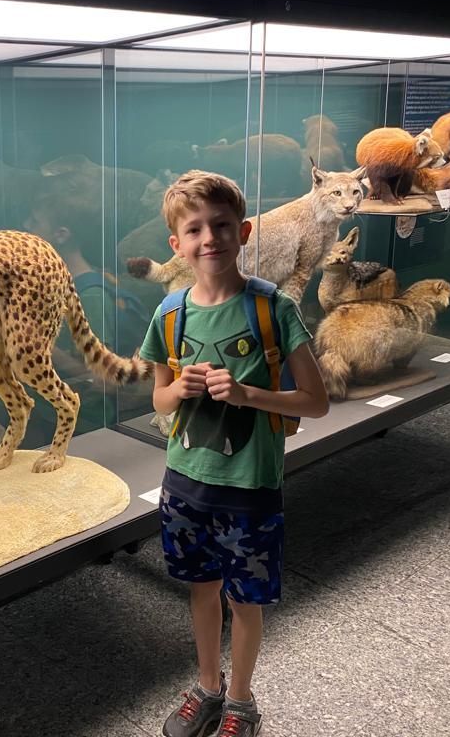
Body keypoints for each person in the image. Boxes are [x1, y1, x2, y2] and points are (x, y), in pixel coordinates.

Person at [139, 170, 329, 737]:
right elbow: (159, 398)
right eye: (194, 229)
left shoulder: (274, 308)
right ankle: (207, 687)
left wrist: (249, 394)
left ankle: (241, 702)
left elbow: (315, 401)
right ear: (177, 244)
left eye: (221, 225)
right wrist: (180, 387)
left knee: (246, 599)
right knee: (201, 588)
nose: (210, 238)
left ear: (243, 231)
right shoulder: (169, 313)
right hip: (185, 483)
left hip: (249, 487)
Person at [24, 172, 150, 433]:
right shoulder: (71, 283)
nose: (26, 227)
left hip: (91, 424)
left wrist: (41, 347)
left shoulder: (90, 295)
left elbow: (106, 381)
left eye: (34, 222)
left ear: (61, 234)